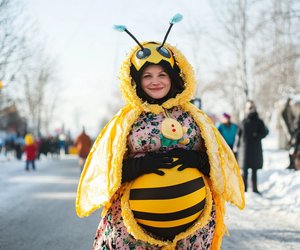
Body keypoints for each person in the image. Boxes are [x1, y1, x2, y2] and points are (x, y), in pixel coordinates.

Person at [76, 14, 245, 250]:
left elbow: (219, 165)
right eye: (148, 76)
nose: (155, 81)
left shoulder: (195, 117)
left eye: (161, 74)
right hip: (133, 232)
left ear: (174, 77)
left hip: (194, 232)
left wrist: (197, 159)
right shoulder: (126, 120)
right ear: (136, 81)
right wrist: (141, 166)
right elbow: (109, 172)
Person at [235, 100, 269, 194]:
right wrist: (236, 147)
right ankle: (244, 190)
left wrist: (258, 135)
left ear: (254, 108)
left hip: (255, 149)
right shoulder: (243, 122)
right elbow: (238, 135)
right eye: (248, 107)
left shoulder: (259, 121)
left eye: (251, 107)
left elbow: (266, 132)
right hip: (244, 150)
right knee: (244, 171)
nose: (250, 109)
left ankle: (255, 189)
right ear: (246, 109)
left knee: (254, 170)